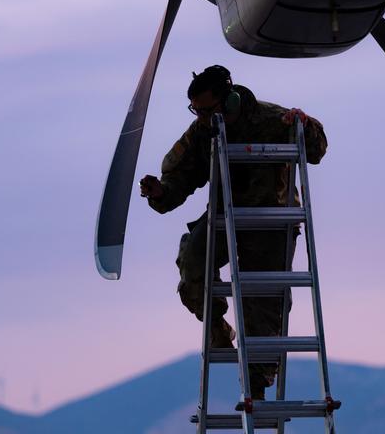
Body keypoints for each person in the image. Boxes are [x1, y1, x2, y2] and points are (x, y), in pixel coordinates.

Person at [139, 65, 327, 400]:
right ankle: (218, 331)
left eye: (207, 110)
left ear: (229, 99)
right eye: (196, 112)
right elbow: (181, 176)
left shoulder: (272, 119)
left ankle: (255, 387)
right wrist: (160, 193)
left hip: (272, 222)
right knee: (193, 265)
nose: (202, 118)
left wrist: (304, 124)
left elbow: (316, 149)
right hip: (226, 219)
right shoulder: (203, 131)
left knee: (264, 305)